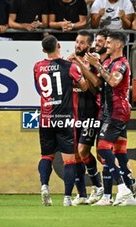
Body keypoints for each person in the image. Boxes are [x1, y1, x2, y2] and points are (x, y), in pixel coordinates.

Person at [34, 35, 89, 206]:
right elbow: (85, 86)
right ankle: (66, 198)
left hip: (45, 118)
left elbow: (40, 88)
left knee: (46, 156)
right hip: (64, 117)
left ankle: (44, 186)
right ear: (59, 45)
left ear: (43, 50)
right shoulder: (70, 66)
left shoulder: (37, 66)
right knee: (70, 160)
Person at [84, 31, 136, 206]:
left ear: (118, 45)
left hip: (116, 111)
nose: (106, 44)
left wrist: (98, 66)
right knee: (120, 154)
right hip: (108, 111)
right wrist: (86, 65)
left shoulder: (121, 64)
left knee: (103, 148)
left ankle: (122, 188)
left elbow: (114, 82)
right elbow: (99, 83)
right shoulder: (108, 62)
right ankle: (130, 197)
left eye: (108, 42)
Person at [67, 30, 104, 206]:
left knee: (83, 151)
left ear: (89, 45)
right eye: (77, 41)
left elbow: (94, 87)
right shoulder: (72, 62)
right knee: (75, 155)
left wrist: (78, 65)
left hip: (91, 112)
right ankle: (81, 194)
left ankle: (98, 186)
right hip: (75, 113)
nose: (78, 45)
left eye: (82, 43)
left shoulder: (93, 60)